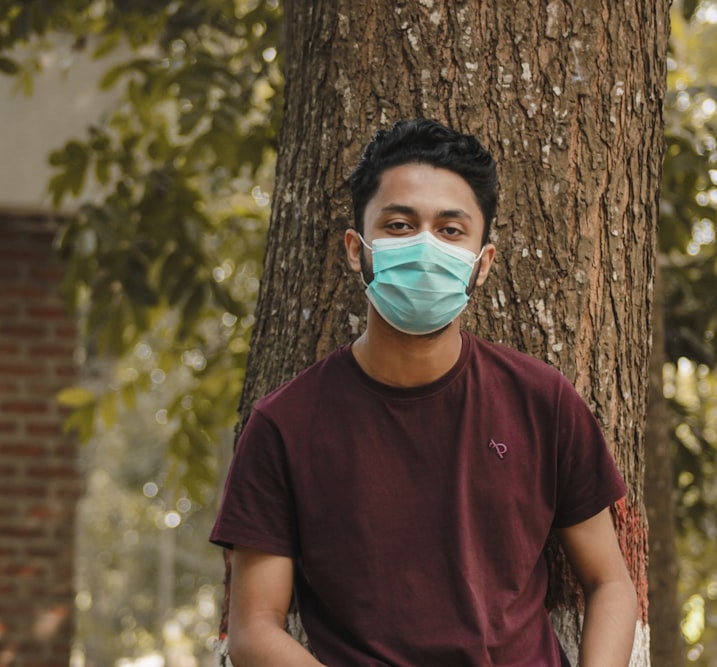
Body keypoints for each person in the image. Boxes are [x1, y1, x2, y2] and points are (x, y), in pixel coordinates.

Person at [210, 118, 638, 666]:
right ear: (355, 249)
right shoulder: (284, 427)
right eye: (399, 224)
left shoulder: (542, 402)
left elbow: (610, 583)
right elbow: (253, 630)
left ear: (482, 265)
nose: (424, 246)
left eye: (451, 230)